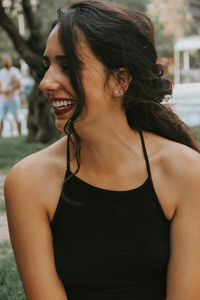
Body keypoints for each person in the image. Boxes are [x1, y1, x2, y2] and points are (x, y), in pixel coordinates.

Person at [4, 1, 200, 299]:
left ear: (120, 79)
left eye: (68, 66)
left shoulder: (186, 172)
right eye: (47, 66)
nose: (46, 83)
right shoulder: (28, 181)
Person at [0, 54, 22, 136]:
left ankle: (19, 135)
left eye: (7, 60)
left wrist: (9, 89)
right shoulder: (1, 72)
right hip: (3, 99)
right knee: (1, 118)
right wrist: (2, 91)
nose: (6, 62)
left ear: (10, 61)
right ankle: (0, 136)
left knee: (17, 117)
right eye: (4, 61)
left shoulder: (15, 71)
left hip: (13, 99)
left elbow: (18, 84)